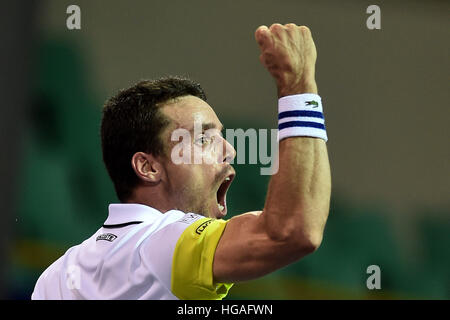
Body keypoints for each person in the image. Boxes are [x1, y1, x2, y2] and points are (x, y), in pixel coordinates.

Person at [31, 23, 331, 300]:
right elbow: (292, 231)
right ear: (148, 167)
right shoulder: (162, 242)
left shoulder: (54, 277)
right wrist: (297, 85)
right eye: (203, 139)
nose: (229, 150)